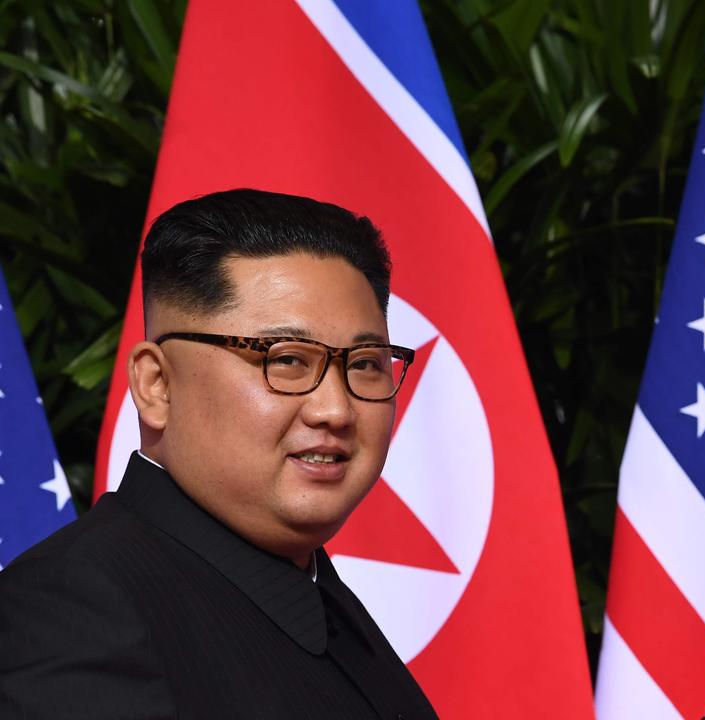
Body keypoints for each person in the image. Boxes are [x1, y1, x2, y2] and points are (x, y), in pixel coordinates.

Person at [0, 189, 439, 720]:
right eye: (287, 359)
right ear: (157, 384)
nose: (336, 409)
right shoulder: (75, 606)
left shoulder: (319, 597)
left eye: (366, 363)